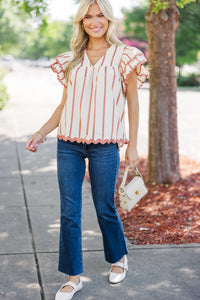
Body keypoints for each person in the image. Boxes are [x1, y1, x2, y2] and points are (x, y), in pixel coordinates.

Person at [26, 0, 148, 299]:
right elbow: (64, 105)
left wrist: (133, 145)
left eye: (100, 16)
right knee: (70, 211)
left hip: (105, 145)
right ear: (81, 22)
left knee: (104, 206)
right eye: (88, 17)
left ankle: (119, 258)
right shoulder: (72, 59)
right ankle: (73, 277)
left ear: (109, 19)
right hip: (68, 143)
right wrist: (42, 132)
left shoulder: (125, 56)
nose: (95, 22)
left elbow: (132, 102)